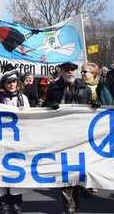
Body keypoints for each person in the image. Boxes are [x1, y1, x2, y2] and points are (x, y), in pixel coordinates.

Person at [43, 61, 92, 214]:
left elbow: (90, 109)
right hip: (61, 133)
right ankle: (68, 205)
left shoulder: (85, 88)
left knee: (78, 170)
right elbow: (45, 105)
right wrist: (51, 104)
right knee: (65, 170)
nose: (70, 72)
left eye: (72, 70)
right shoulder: (54, 87)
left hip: (80, 134)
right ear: (62, 72)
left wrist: (96, 105)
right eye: (66, 70)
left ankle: (76, 201)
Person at [0, 69, 28, 213]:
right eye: (8, 82)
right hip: (0, 140)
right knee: (0, 171)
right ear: (3, 84)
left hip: (17, 142)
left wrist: (25, 112)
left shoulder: (23, 98)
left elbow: (30, 119)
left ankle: (16, 202)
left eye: (13, 82)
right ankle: (3, 203)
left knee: (16, 171)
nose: (11, 85)